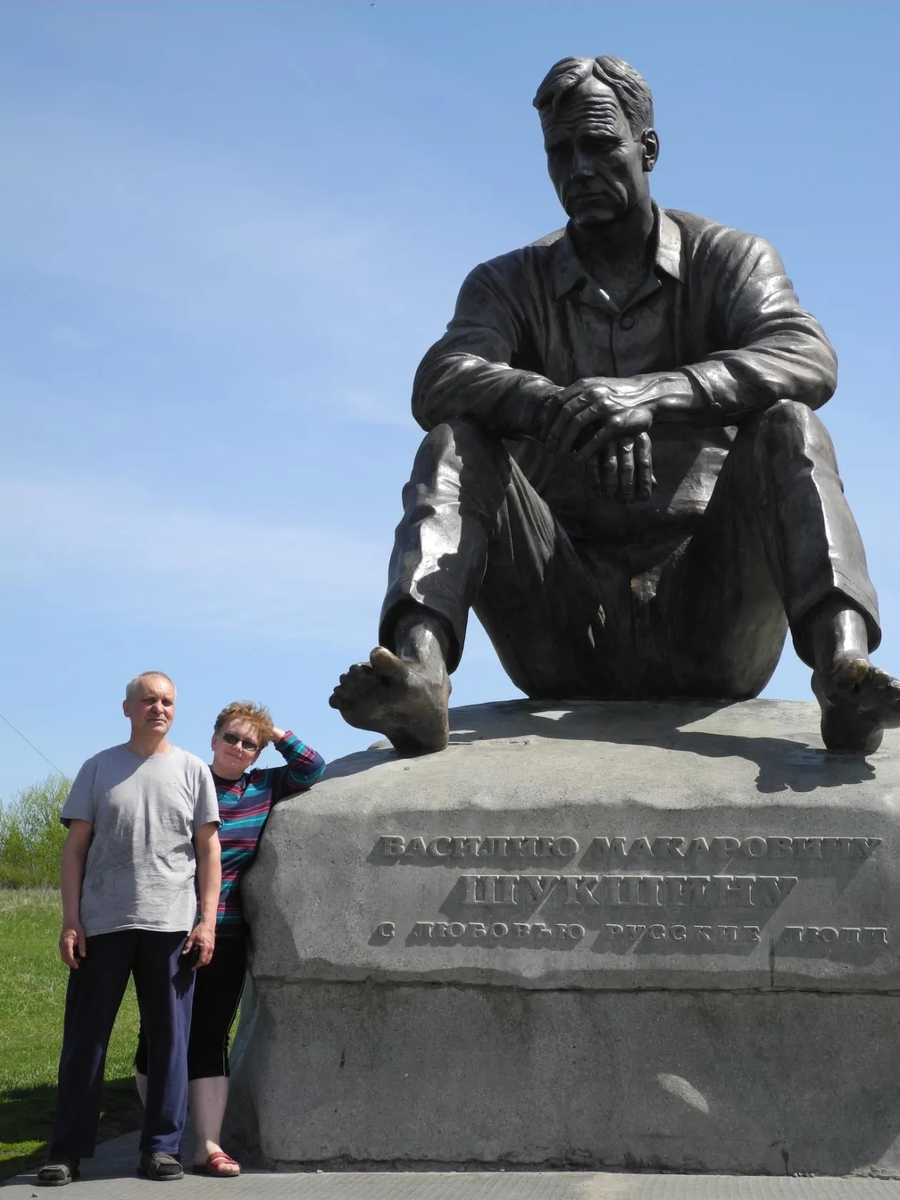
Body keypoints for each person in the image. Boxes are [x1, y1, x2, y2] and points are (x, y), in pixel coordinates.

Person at [330, 53, 900, 758]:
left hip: (712, 625)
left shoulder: (730, 257)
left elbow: (807, 357)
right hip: (561, 622)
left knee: (790, 423)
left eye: (599, 144)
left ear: (648, 148)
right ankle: (417, 672)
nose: (578, 170)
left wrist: (653, 394)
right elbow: (439, 378)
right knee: (456, 439)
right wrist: (551, 404)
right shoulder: (509, 282)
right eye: (559, 152)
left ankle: (844, 672)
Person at [38, 672, 220, 1187]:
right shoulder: (98, 768)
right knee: (85, 1042)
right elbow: (74, 850)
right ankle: (66, 1152)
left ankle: (161, 1148)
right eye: (148, 700)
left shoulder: (191, 771)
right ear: (127, 708)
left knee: (169, 1042)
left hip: (172, 927)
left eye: (166, 701)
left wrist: (206, 922)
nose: (157, 708)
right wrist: (71, 919)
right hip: (103, 925)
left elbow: (209, 852)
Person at [135, 701, 325, 1178]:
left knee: (211, 1034)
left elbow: (312, 767)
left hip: (227, 930)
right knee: (158, 1032)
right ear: (213, 739)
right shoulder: (185, 778)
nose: (239, 748)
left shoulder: (263, 786)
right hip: (169, 925)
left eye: (250, 744)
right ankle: (164, 1134)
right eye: (232, 738)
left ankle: (209, 1145)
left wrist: (274, 730)